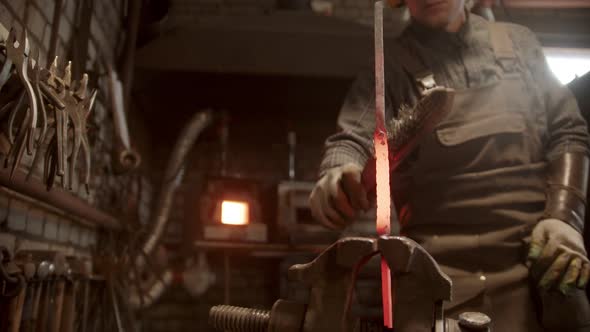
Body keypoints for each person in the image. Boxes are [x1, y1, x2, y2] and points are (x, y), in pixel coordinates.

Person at [309, 0, 590, 330]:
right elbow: (351, 141)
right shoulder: (391, 67)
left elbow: (567, 131)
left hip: (540, 270)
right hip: (439, 283)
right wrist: (337, 173)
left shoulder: (519, 43)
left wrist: (565, 218)